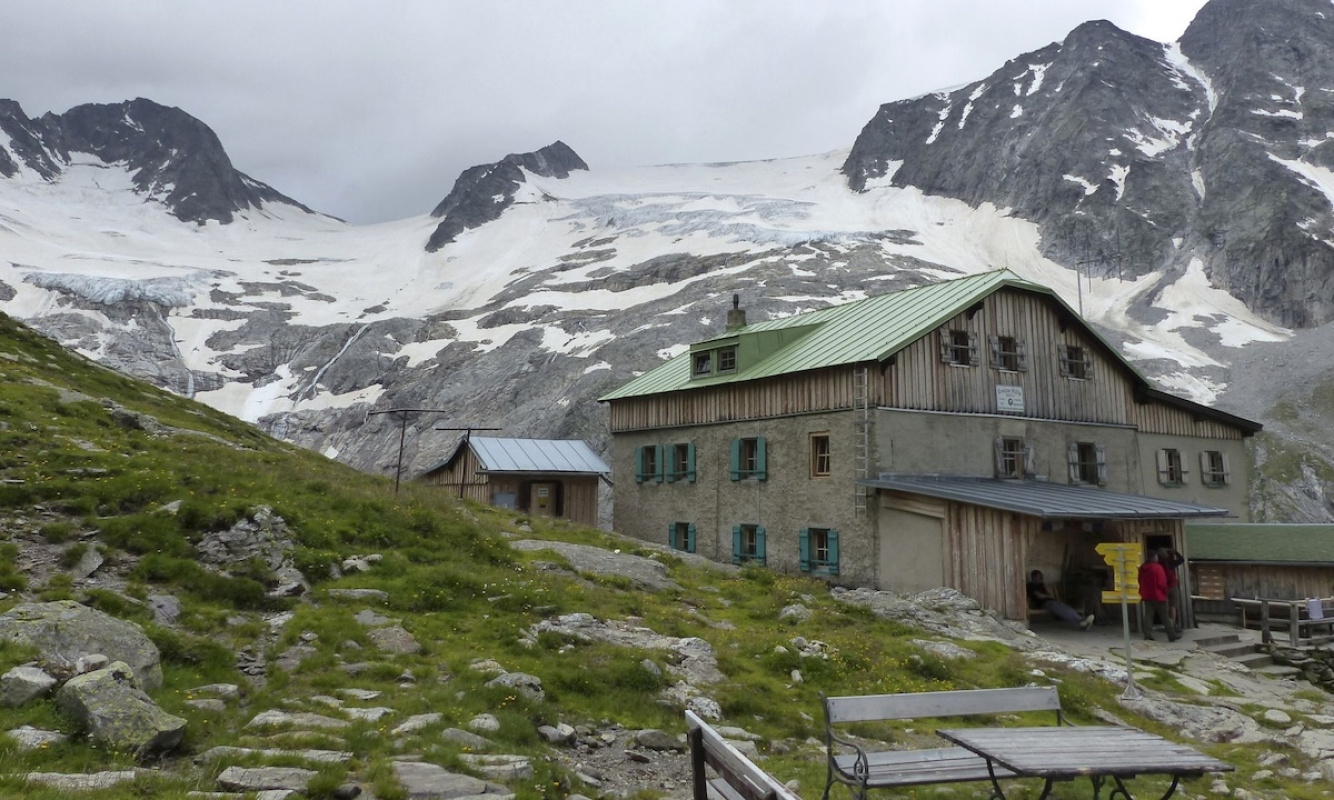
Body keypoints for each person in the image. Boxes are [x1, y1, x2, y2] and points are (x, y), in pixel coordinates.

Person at [1027, 570, 1095, 630]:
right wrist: (1048, 596)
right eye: (1039, 576)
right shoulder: (1031, 585)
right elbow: (1039, 596)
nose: (1041, 577)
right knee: (1062, 611)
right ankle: (1079, 623)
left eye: (1041, 576)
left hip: (1051, 602)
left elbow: (1048, 594)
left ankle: (1081, 620)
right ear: (1033, 577)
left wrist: (1045, 589)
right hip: (1043, 604)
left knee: (1066, 608)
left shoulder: (1041, 585)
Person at [1138, 549, 1180, 641]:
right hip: (1158, 596)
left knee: (1148, 616)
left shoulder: (1142, 568)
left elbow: (1139, 580)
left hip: (1147, 595)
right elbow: (1162, 583)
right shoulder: (1157, 568)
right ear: (1154, 558)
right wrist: (1165, 594)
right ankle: (1171, 634)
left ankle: (1148, 634)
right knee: (1165, 616)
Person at [1160, 547, 1185, 626]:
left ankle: (1166, 623)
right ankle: (1173, 624)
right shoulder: (1170, 563)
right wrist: (1175, 552)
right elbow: (1181, 559)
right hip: (1173, 585)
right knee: (1173, 606)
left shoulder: (1159, 564)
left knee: (1165, 606)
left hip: (1163, 587)